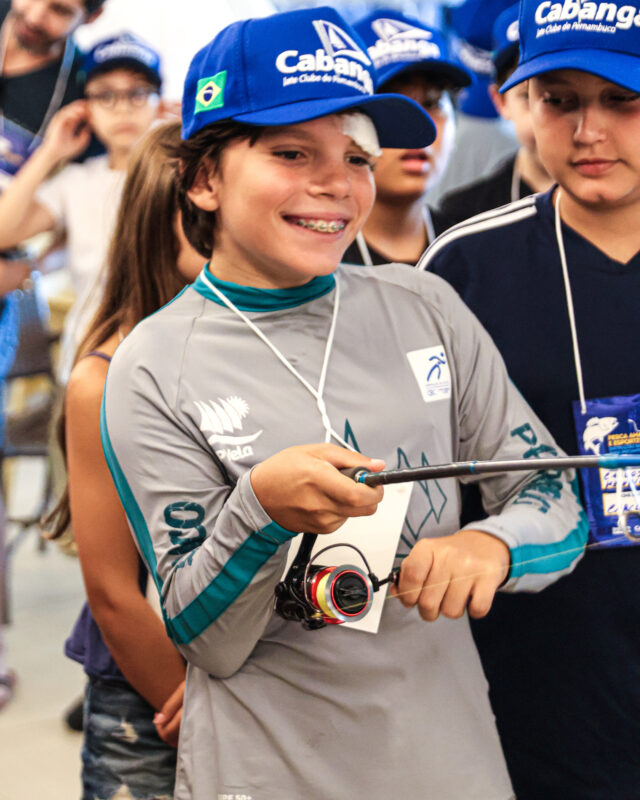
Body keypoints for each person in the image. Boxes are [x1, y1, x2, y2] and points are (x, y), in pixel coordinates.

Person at [101, 8, 587, 800]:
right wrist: (261, 507)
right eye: (292, 153)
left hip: (450, 765)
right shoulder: (152, 366)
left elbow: (555, 496)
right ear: (203, 179)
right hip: (268, 773)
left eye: (357, 156)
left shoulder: (425, 305)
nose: (335, 183)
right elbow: (204, 638)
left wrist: (493, 545)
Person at [420, 2, 640, 797]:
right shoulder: (463, 269)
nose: (588, 131)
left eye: (622, 100)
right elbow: (422, 483)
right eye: (560, 100)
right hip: (537, 685)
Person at [44, 121, 204, 799]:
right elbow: (113, 592)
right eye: (202, 214)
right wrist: (194, 703)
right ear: (161, 220)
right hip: (149, 695)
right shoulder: (105, 376)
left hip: (258, 684)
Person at [0, 0, 105, 710]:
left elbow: (85, 209)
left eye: (63, 7)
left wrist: (27, 264)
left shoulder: (80, 89)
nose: (38, 11)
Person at [0, 31, 164, 382]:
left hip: (164, 365)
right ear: (85, 106)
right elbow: (3, 231)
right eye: (105, 95)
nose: (122, 108)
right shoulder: (76, 181)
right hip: (86, 362)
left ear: (158, 101)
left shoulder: (181, 176)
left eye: (137, 93)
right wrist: (50, 152)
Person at [339, 8, 471, 266]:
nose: (416, 128)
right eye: (393, 106)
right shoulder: (318, 262)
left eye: (431, 104)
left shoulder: (475, 251)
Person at [439, 3, 553, 225]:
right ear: (501, 101)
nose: (545, 118)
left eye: (560, 99)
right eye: (527, 97)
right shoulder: (464, 215)